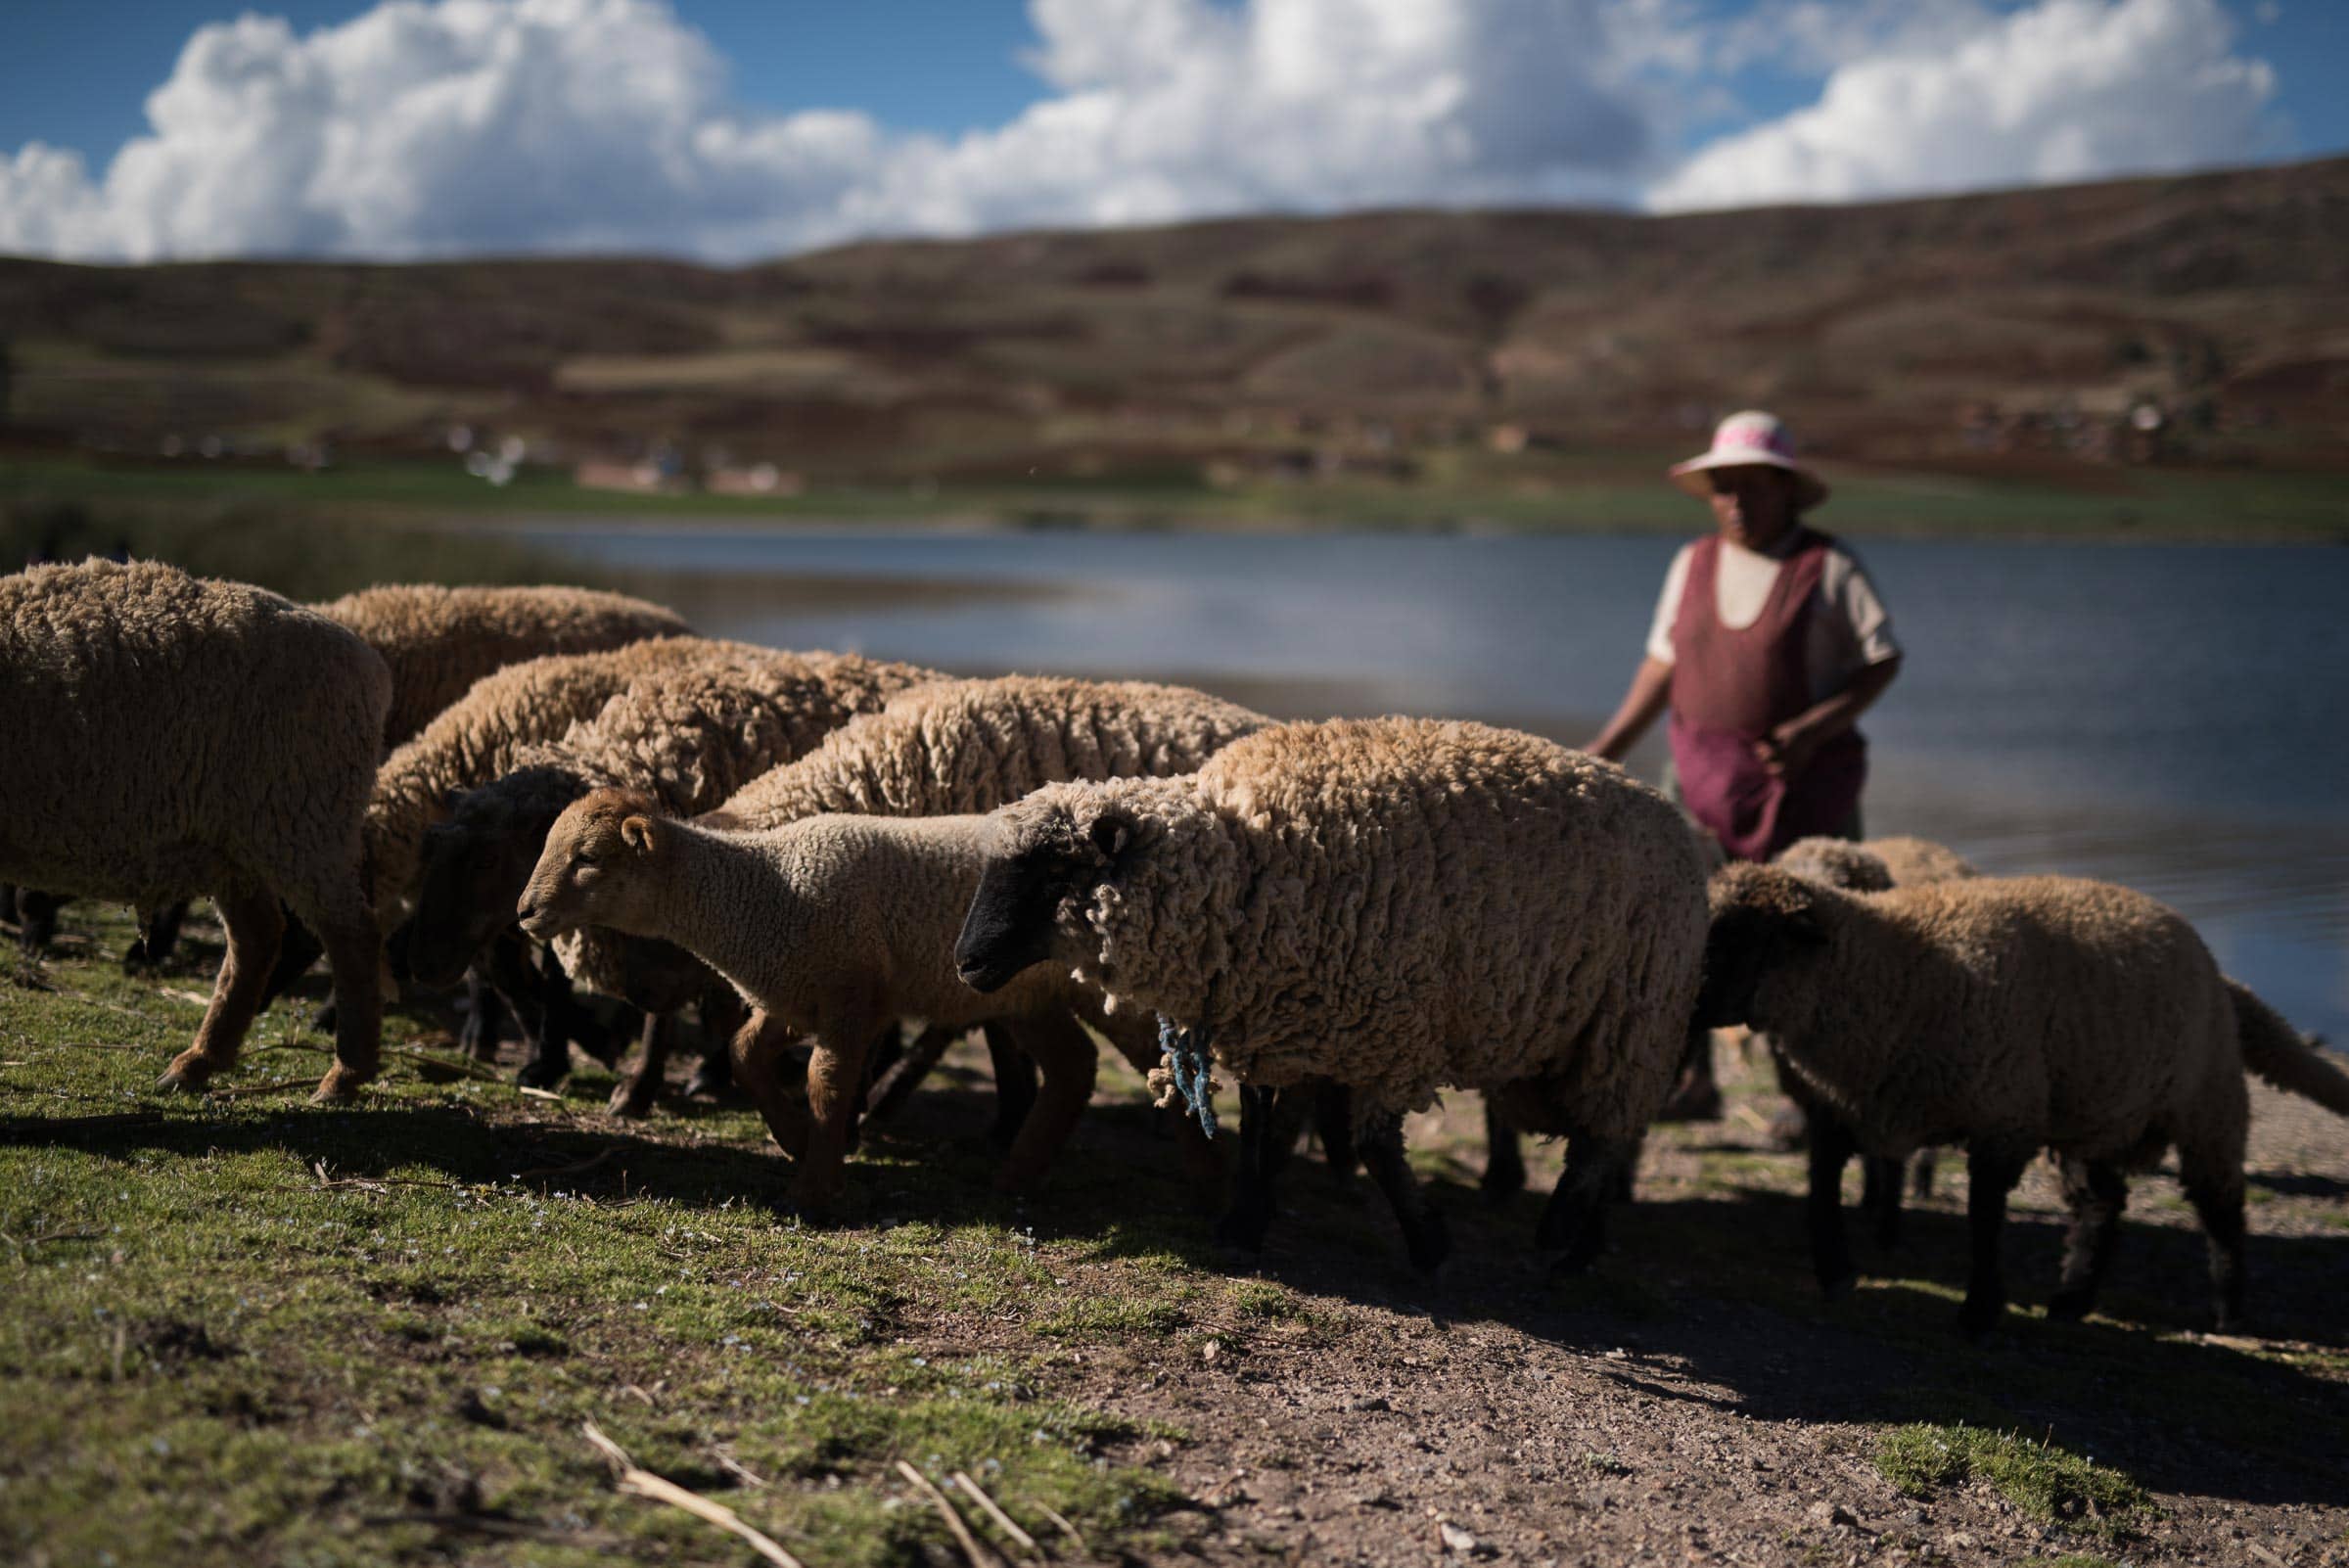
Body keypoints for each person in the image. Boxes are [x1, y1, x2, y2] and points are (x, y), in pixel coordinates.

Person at [1587, 409, 1901, 1118]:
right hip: (1696, 777)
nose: (1735, 503)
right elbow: (1663, 664)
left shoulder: (1828, 569)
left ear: (1787, 492)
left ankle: (1817, 1092)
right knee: (1682, 923)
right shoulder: (1692, 563)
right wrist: (1607, 749)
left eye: (1752, 488)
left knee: (1809, 933)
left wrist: (1816, 727)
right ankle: (1691, 1080)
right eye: (1724, 488)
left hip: (1802, 788)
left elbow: (1881, 659)